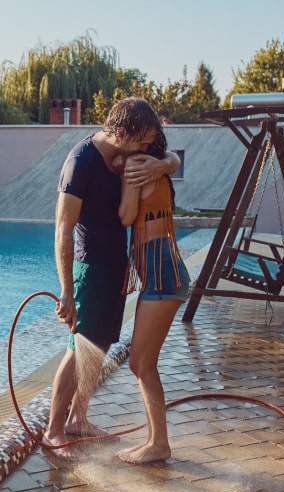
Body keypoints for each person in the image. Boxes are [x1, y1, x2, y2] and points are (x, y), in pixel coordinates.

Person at [43, 97, 180, 460]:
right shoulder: (81, 162)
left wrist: (164, 162)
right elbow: (62, 230)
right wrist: (67, 291)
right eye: (141, 142)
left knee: (98, 348)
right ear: (120, 132)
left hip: (116, 268)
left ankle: (78, 418)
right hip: (90, 268)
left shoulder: (127, 155)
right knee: (78, 350)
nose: (146, 149)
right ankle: (54, 430)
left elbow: (170, 158)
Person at [115, 129, 190, 464]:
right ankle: (154, 441)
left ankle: (159, 444)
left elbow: (127, 216)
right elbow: (173, 160)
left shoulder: (135, 164)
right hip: (165, 272)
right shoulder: (159, 165)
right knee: (142, 363)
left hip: (161, 275)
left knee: (141, 363)